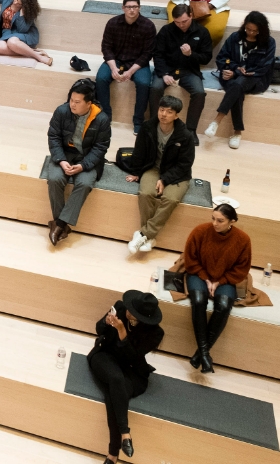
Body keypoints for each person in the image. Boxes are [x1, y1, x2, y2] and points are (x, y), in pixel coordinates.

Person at [87, 291, 164, 464]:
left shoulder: (155, 334)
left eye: (134, 313)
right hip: (105, 356)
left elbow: (133, 358)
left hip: (131, 368)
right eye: (130, 309)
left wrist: (122, 332)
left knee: (113, 394)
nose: (128, 313)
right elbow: (98, 329)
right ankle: (125, 434)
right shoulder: (120, 308)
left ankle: (112, 455)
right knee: (115, 380)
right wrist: (106, 324)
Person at [184, 203, 251, 373]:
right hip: (199, 273)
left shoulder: (243, 240)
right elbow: (190, 260)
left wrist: (220, 281)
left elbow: (241, 269)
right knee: (198, 301)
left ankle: (201, 354)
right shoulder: (200, 231)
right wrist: (206, 279)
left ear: (232, 222)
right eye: (213, 218)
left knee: (223, 306)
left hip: (225, 279)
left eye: (220, 220)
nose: (215, 223)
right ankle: (205, 355)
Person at [46, 79, 112, 245]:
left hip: (87, 158)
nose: (72, 105)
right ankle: (62, 225)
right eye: (71, 100)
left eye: (77, 102)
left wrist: (83, 165)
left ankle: (59, 224)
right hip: (64, 154)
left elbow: (101, 148)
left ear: (89, 103)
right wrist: (60, 160)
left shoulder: (102, 119)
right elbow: (53, 137)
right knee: (54, 178)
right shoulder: (61, 111)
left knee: (84, 183)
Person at [125, 95, 194, 253]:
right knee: (145, 193)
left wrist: (164, 179)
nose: (163, 114)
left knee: (170, 199)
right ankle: (149, 238)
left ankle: (143, 234)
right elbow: (139, 151)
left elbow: (185, 164)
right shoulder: (148, 127)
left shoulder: (185, 135)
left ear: (176, 115)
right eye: (161, 110)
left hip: (177, 174)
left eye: (169, 112)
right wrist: (136, 172)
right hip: (153, 168)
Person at [203, 11, 275, 149]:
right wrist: (232, 69)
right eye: (248, 29)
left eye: (255, 31)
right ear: (244, 26)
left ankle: (216, 121)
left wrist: (237, 73)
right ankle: (237, 132)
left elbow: (262, 68)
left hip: (255, 79)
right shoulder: (235, 37)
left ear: (262, 30)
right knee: (237, 88)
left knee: (238, 84)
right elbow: (221, 58)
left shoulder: (269, 42)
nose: (251, 33)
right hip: (231, 76)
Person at [148, 4, 212, 144]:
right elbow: (157, 54)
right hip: (167, 69)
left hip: (189, 70)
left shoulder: (202, 32)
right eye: (177, 22)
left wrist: (191, 54)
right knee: (155, 88)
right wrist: (164, 73)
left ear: (191, 16)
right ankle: (153, 124)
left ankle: (190, 130)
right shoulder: (166, 30)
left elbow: (206, 58)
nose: (181, 25)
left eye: (184, 21)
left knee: (199, 92)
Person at [95, 0, 156, 134]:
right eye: (129, 7)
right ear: (123, 8)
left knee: (144, 83)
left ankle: (138, 121)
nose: (132, 10)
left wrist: (131, 72)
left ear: (140, 8)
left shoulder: (148, 26)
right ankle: (105, 117)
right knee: (101, 78)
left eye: (135, 7)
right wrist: (113, 67)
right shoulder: (112, 23)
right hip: (115, 60)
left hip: (138, 63)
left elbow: (148, 54)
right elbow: (106, 48)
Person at [0, 0, 52, 66]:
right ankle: (33, 52)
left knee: (12, 42)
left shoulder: (28, 11)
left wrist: (22, 14)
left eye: (19, 4)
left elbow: (22, 30)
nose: (15, 2)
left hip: (25, 35)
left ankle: (39, 57)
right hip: (7, 32)